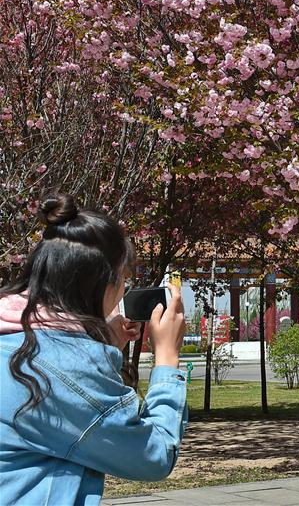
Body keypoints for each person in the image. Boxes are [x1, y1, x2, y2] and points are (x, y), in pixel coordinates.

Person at [0, 194, 188, 505]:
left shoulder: (15, 340)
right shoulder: (63, 368)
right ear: (104, 282)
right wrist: (167, 359)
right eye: (123, 279)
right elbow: (154, 454)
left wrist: (100, 343)